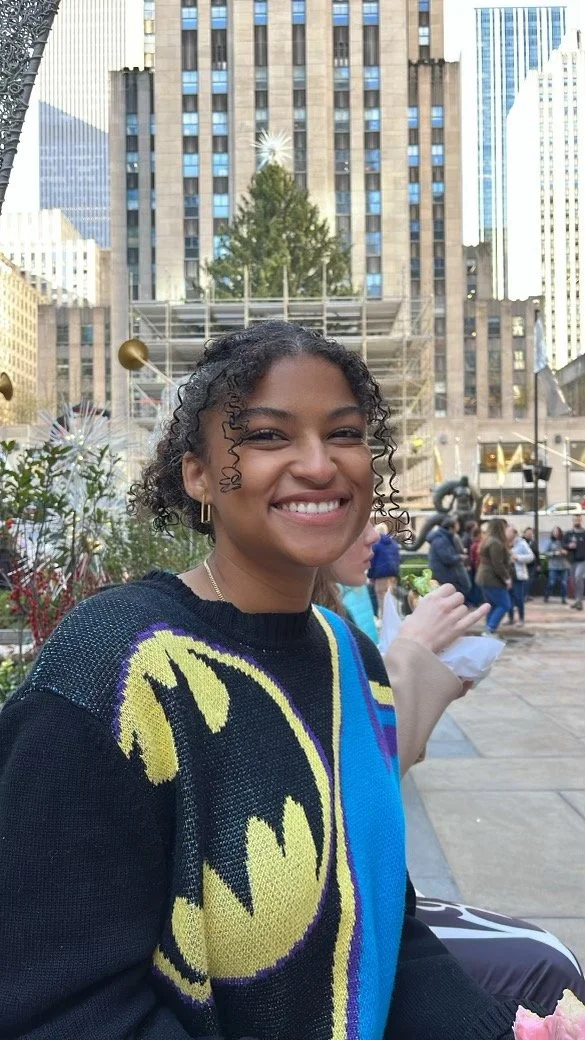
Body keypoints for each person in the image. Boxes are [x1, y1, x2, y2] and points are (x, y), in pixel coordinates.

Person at [0, 321, 545, 1040]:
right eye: (267, 436)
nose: (319, 465)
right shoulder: (115, 666)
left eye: (344, 434)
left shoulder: (349, 656)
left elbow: (379, 928)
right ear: (196, 473)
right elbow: (63, 1007)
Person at [317, 523, 585, 1012]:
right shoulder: (302, 625)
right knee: (550, 969)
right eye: (350, 516)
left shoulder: (334, 613)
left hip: (364, 899)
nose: (376, 532)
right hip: (338, 928)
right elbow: (348, 786)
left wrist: (426, 678)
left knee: (549, 961)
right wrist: (411, 659)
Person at [476, 518, 512, 635]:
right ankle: (490, 629)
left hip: (485, 577)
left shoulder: (488, 540)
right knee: (504, 604)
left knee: (493, 605)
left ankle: (489, 630)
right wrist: (507, 578)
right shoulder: (495, 543)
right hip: (491, 578)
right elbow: (498, 564)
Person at [427, 516, 472, 600]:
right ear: (451, 527)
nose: (459, 526)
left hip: (445, 572)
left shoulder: (444, 537)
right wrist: (460, 557)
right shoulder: (441, 540)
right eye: (457, 524)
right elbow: (447, 558)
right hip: (443, 573)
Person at [367, 520, 400, 615]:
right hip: (393, 574)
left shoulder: (376, 545)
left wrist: (370, 576)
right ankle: (394, 617)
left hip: (380, 574)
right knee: (391, 596)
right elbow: (398, 559)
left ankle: (385, 618)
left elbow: (372, 561)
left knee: (381, 596)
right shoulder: (393, 543)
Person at [505, 526, 534, 627]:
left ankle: (521, 619)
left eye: (508, 531)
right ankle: (511, 618)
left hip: (518, 574)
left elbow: (531, 556)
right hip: (506, 575)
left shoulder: (521, 543)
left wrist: (518, 558)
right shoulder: (503, 543)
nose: (506, 533)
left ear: (514, 533)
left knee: (518, 598)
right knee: (508, 598)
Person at [563, 515, 585, 612]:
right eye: (575, 519)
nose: (577, 521)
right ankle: (577, 600)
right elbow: (563, 544)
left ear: (581, 520)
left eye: (578, 519)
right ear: (573, 521)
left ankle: (579, 601)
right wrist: (568, 545)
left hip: (582, 560)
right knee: (574, 581)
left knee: (578, 577)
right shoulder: (568, 534)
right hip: (571, 561)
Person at [544, 525, 570, 604]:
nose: (556, 533)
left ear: (560, 532)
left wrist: (566, 552)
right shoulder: (550, 542)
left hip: (564, 566)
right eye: (554, 532)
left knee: (564, 583)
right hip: (553, 566)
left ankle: (563, 598)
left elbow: (570, 552)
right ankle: (547, 595)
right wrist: (554, 553)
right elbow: (545, 553)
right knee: (551, 582)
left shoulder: (564, 541)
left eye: (557, 531)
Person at [522, 527, 540, 599]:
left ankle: (527, 594)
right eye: (528, 533)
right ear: (525, 533)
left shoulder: (534, 542)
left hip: (532, 565)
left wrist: (539, 564)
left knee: (530, 580)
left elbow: (537, 554)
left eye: (531, 533)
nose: (529, 534)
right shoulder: (521, 542)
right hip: (524, 564)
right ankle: (523, 595)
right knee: (524, 581)